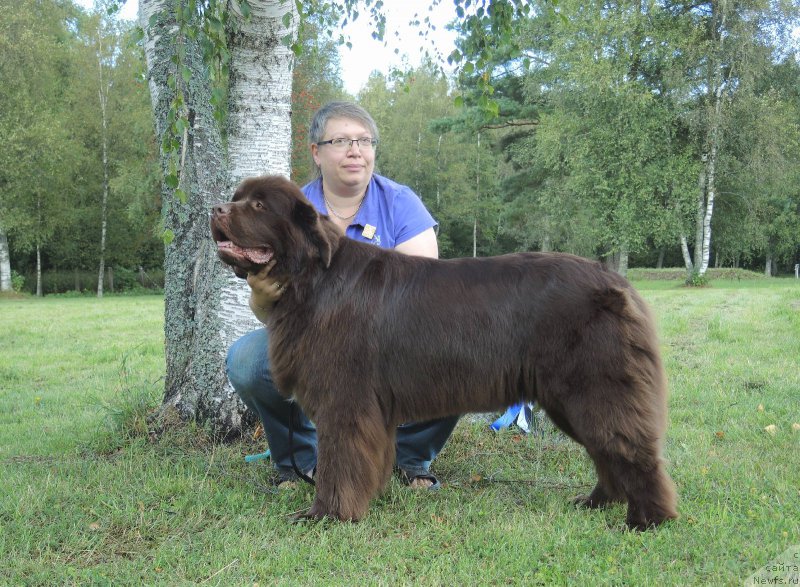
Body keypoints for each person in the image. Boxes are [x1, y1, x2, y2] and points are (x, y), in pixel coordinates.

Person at [226, 101, 459, 489]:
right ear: (316, 152)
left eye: (364, 140)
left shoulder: (402, 204)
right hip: (314, 343)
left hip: (390, 341)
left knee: (455, 350)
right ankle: (300, 459)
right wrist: (263, 296)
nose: (355, 150)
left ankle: (409, 456)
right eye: (341, 140)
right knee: (250, 360)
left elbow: (423, 298)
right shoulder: (288, 209)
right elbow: (272, 316)